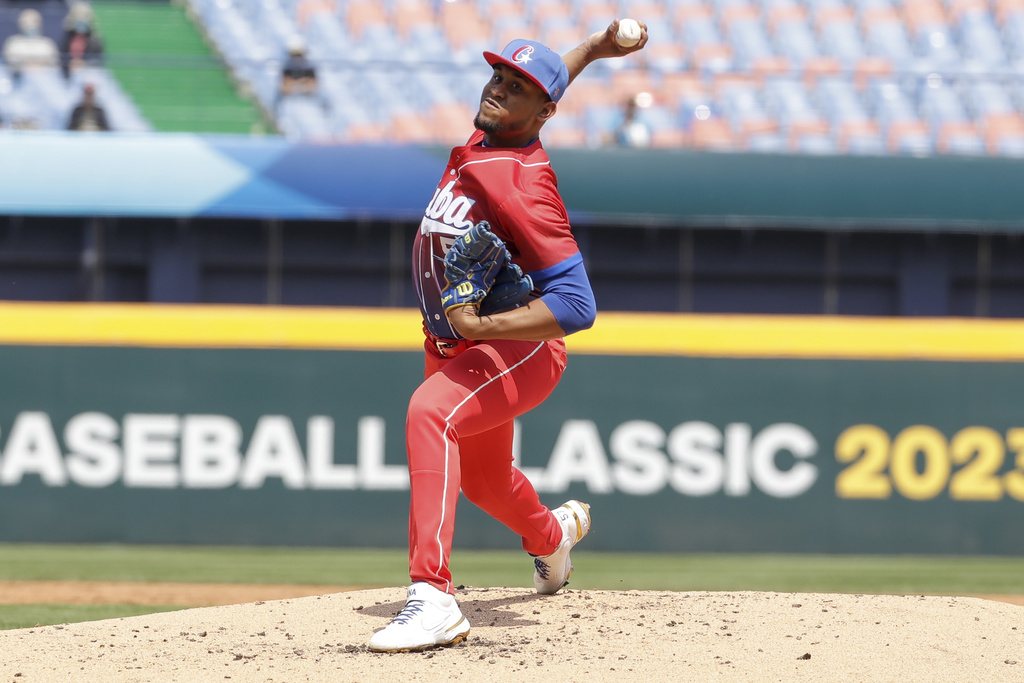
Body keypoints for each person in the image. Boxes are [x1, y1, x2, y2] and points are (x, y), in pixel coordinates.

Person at [367, 19, 648, 653]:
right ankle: (554, 536)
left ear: (543, 114)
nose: (498, 89)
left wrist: (483, 326)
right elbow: (544, 84)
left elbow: (578, 305)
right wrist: (595, 51)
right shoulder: (487, 134)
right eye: (497, 75)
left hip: (515, 350)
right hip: (456, 344)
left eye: (515, 87)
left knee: (429, 416)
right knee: (486, 481)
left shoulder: (523, 182)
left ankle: (434, 597)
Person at [2, 8, 60, 81]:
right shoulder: (13, 42)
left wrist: (37, 67)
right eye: (26, 22)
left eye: (34, 21)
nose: (30, 25)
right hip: (19, 82)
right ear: (20, 23)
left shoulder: (47, 43)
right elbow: (11, 62)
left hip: (45, 81)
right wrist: (27, 66)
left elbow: (53, 62)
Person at [60, 1, 105, 80]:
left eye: (84, 16)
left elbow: (97, 61)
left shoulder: (95, 40)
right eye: (78, 16)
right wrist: (70, 65)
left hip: (88, 76)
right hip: (68, 76)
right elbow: (61, 58)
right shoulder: (66, 38)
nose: (81, 19)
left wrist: (84, 64)